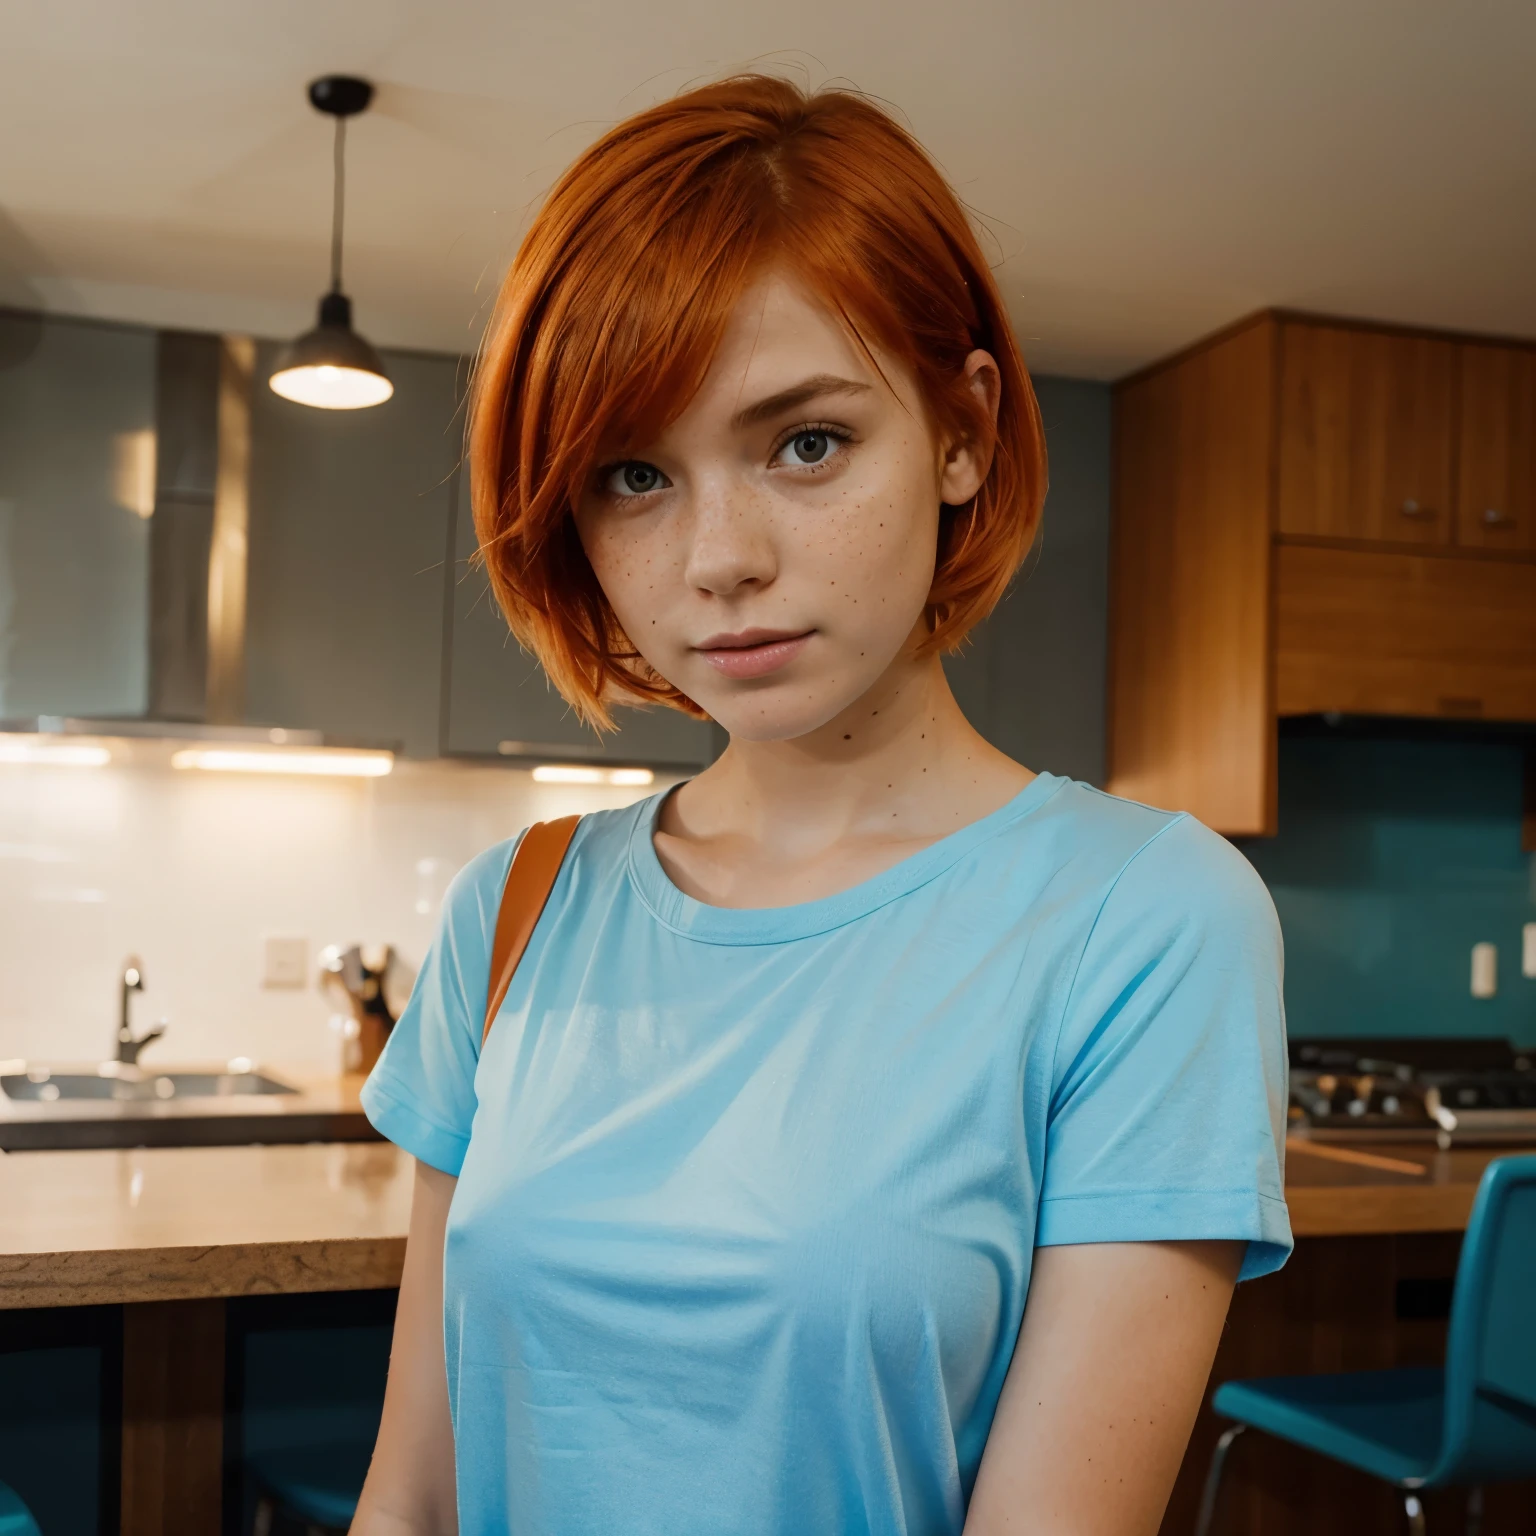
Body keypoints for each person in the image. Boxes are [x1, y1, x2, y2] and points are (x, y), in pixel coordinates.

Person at [351, 73, 1290, 1536]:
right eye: (635, 474)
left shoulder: (1145, 920)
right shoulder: (519, 909)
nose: (720, 558)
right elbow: (412, 1495)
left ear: (963, 431)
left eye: (806, 443)